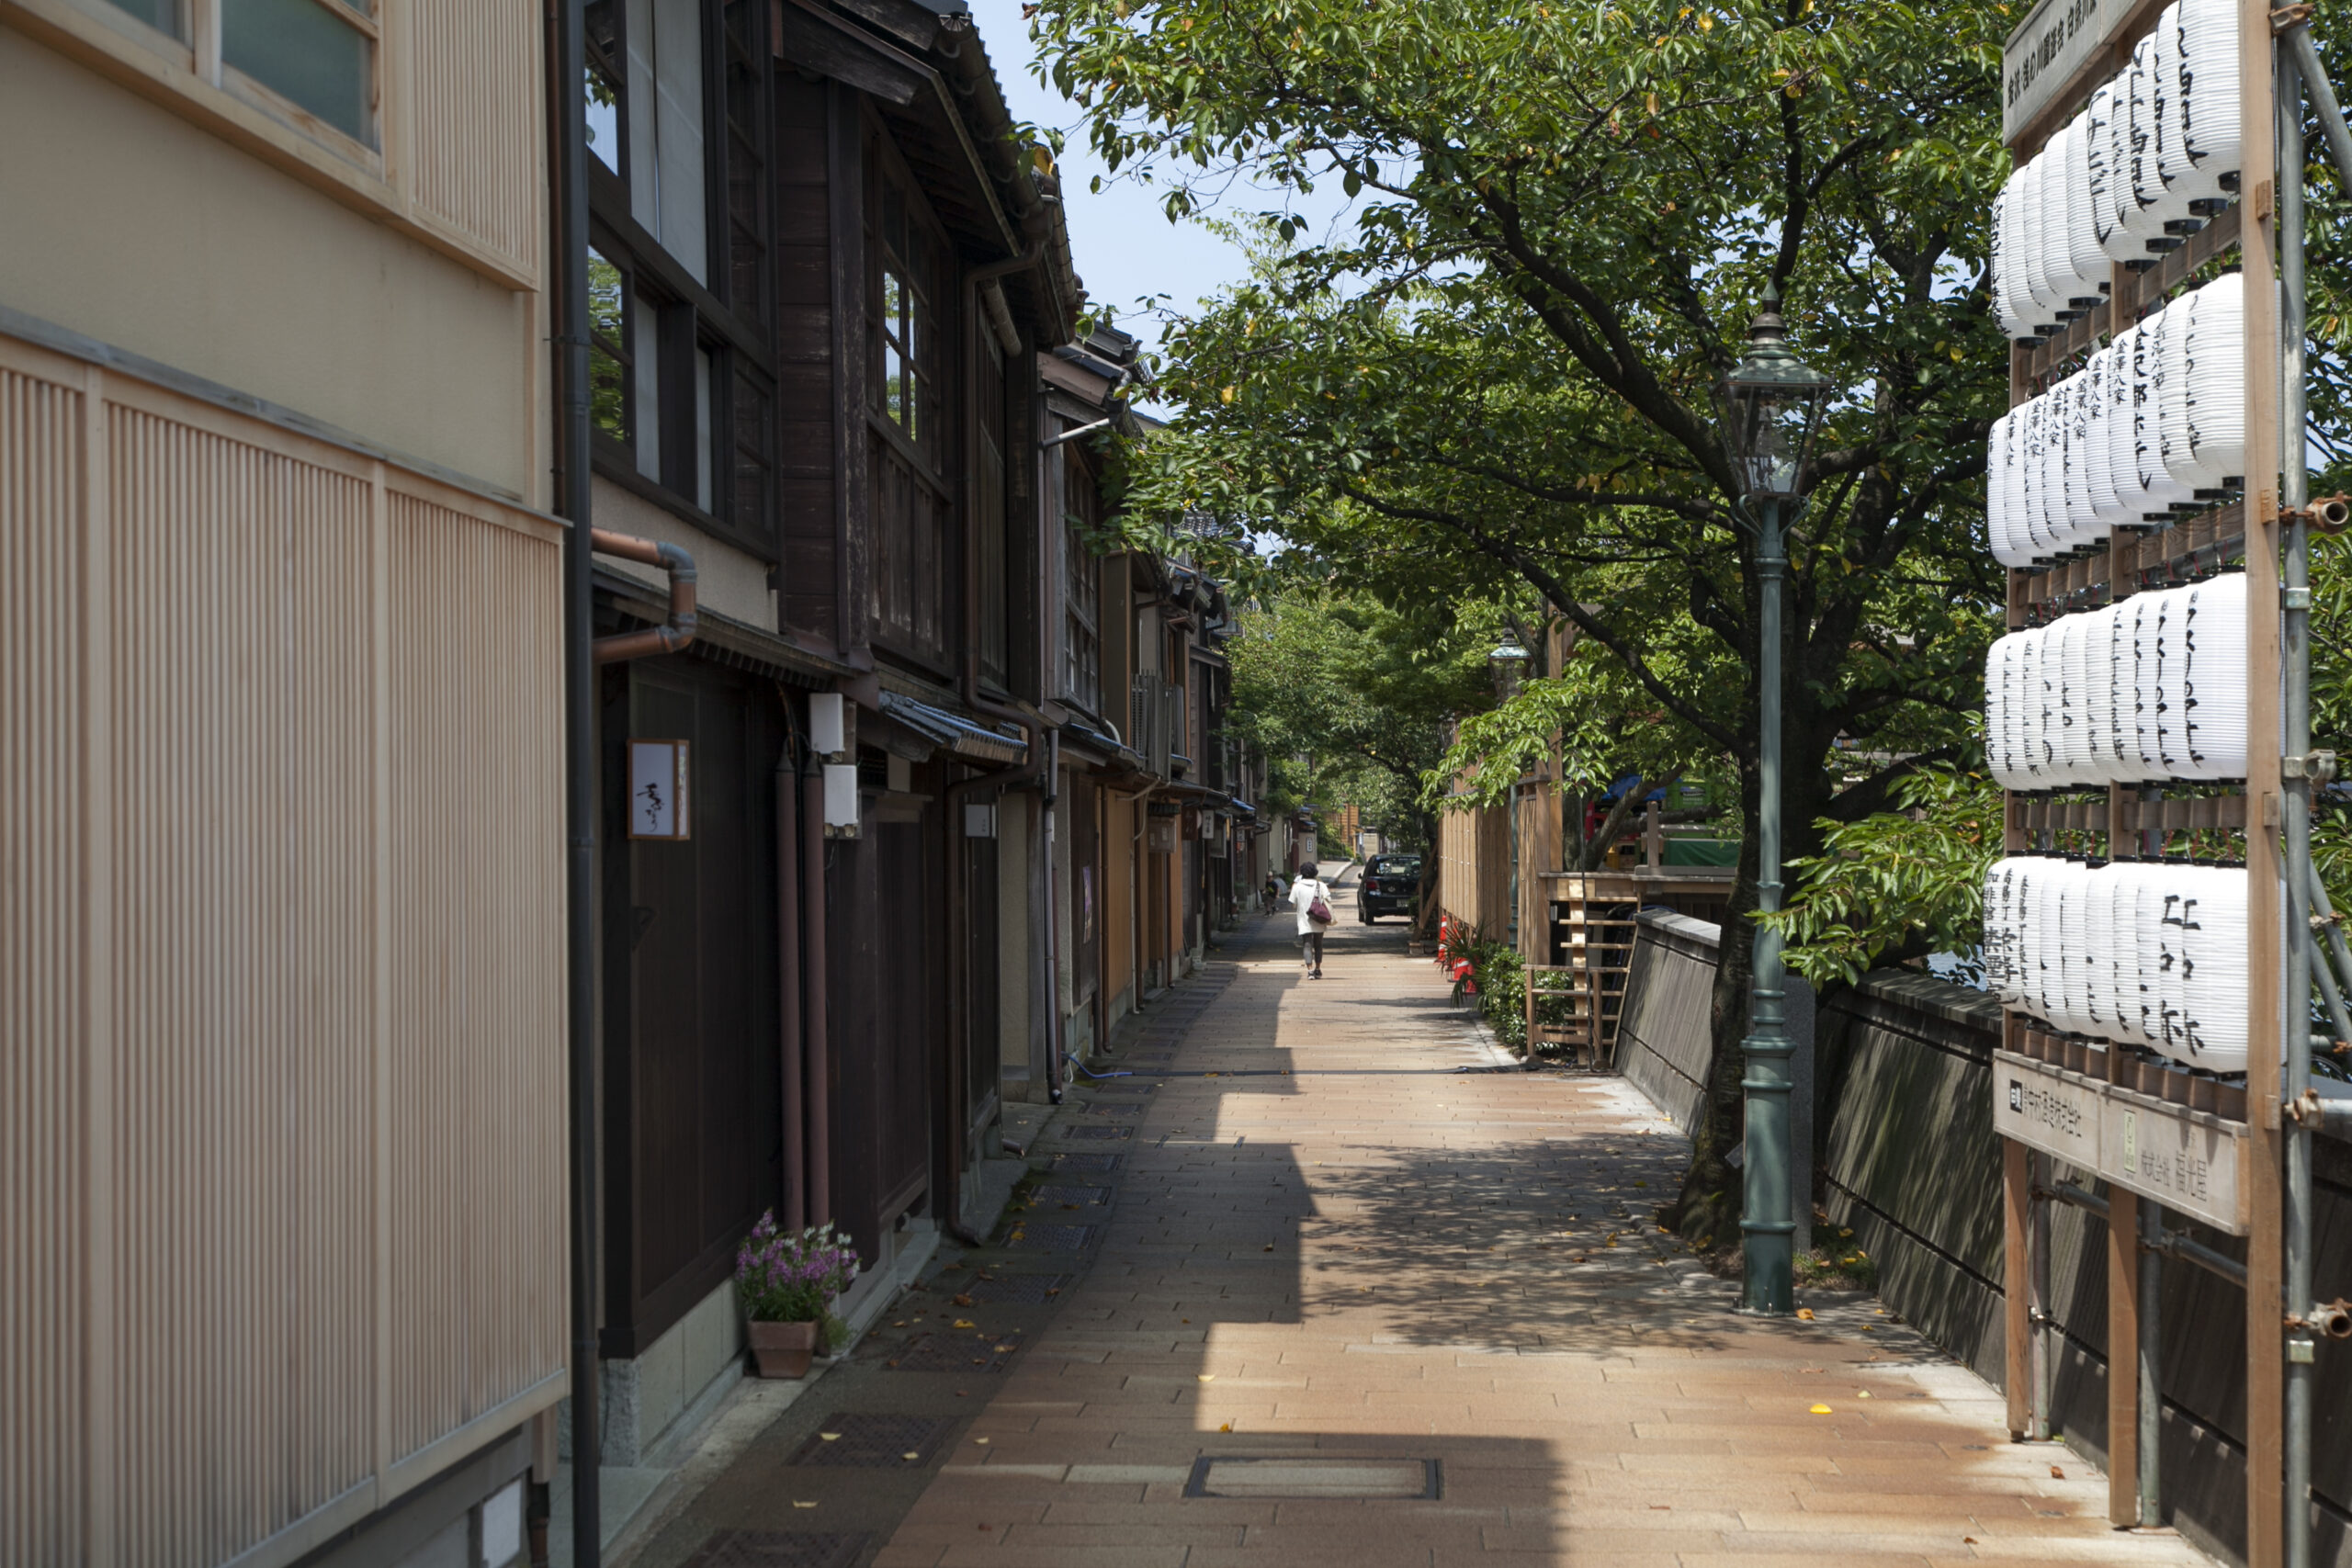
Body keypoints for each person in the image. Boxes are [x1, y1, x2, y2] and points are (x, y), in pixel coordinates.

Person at [1290, 863, 1334, 978]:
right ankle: (1318, 969)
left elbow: (1293, 904)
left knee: (1307, 944)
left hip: (1304, 919)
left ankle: (1310, 971)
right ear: (1315, 872)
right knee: (1318, 944)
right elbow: (1329, 899)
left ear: (1302, 873)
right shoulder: (1321, 885)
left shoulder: (1297, 886)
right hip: (1319, 918)